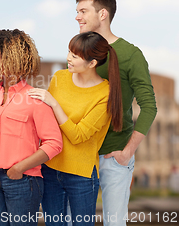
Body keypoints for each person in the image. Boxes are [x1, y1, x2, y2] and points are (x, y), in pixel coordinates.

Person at [74, 0, 157, 226]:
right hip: (80, 155)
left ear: (102, 14)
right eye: (76, 11)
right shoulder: (78, 52)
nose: (77, 17)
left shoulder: (131, 55)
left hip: (114, 155)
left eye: (82, 11)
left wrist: (128, 151)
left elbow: (149, 106)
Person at [28, 31, 122, 226]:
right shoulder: (60, 77)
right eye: (69, 52)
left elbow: (78, 135)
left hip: (81, 175)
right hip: (50, 168)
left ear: (92, 63)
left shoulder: (105, 94)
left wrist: (54, 104)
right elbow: (46, 122)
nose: (68, 58)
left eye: (75, 56)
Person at [0, 29, 63, 226]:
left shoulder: (35, 98)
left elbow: (54, 143)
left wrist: (20, 168)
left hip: (23, 181)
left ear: (14, 60)